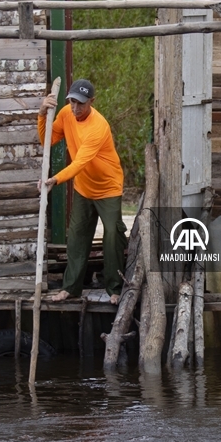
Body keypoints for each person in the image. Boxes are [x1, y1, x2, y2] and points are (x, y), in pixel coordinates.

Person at [38, 79, 127, 304]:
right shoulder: (67, 114)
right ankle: (71, 288)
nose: (76, 108)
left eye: (81, 104)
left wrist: (55, 180)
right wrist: (41, 115)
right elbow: (46, 140)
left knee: (112, 235)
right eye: (72, 102)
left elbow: (79, 163)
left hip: (108, 187)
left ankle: (115, 289)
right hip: (84, 188)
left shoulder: (98, 126)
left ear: (91, 102)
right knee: (77, 237)